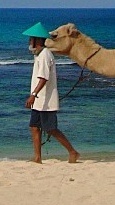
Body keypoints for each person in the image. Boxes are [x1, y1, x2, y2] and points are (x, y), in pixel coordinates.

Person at [22, 22, 79, 164]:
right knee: (34, 127)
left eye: (31, 39)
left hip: (45, 100)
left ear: (37, 40)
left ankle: (73, 152)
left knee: (51, 129)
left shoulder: (46, 55)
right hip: (39, 101)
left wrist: (33, 95)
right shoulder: (39, 55)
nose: (29, 42)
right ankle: (37, 157)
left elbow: (43, 78)